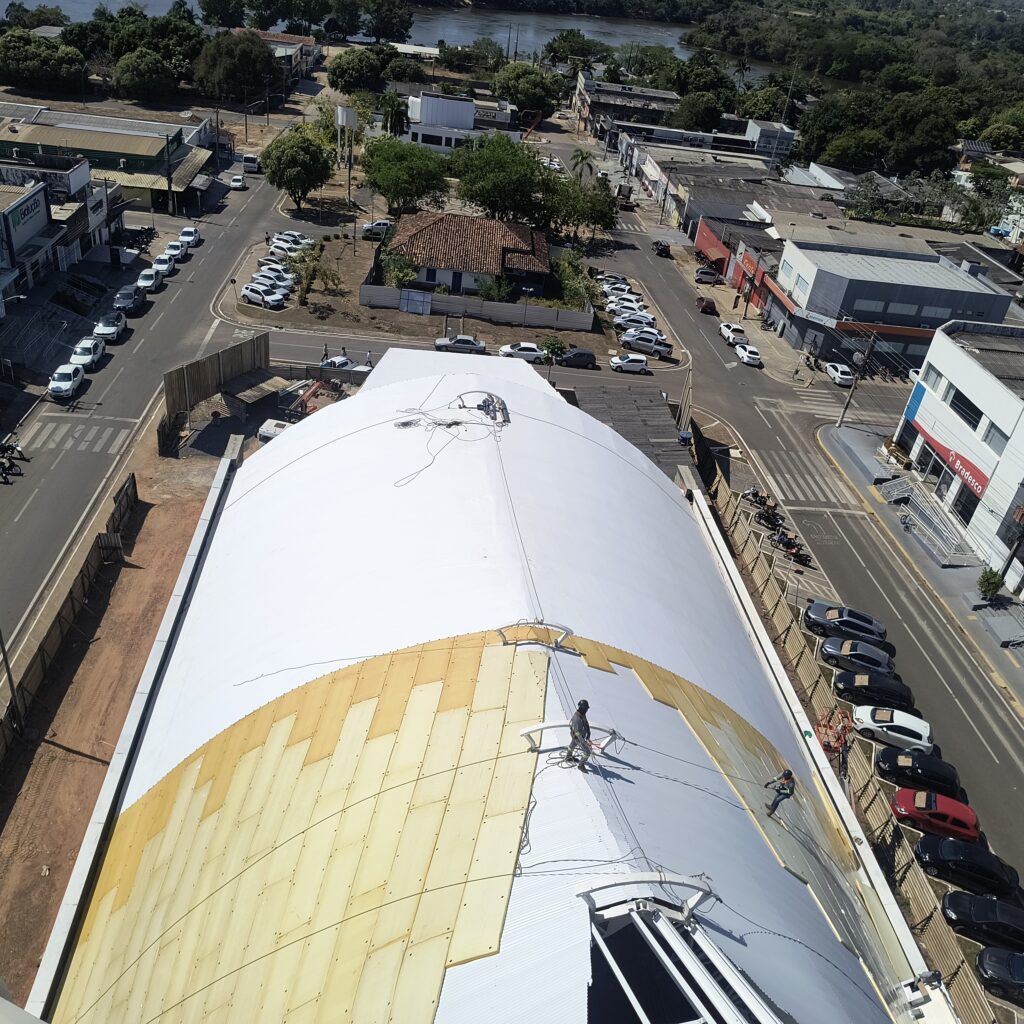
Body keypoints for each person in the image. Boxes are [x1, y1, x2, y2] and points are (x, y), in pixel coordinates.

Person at [568, 699, 592, 772]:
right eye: (586, 708)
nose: (587, 710)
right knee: (587, 752)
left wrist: (588, 732)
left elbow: (586, 723)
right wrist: (584, 742)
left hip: (579, 736)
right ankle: (581, 765)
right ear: (583, 708)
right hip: (578, 737)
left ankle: (568, 757)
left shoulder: (582, 714)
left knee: (572, 745)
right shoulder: (577, 718)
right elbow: (577, 733)